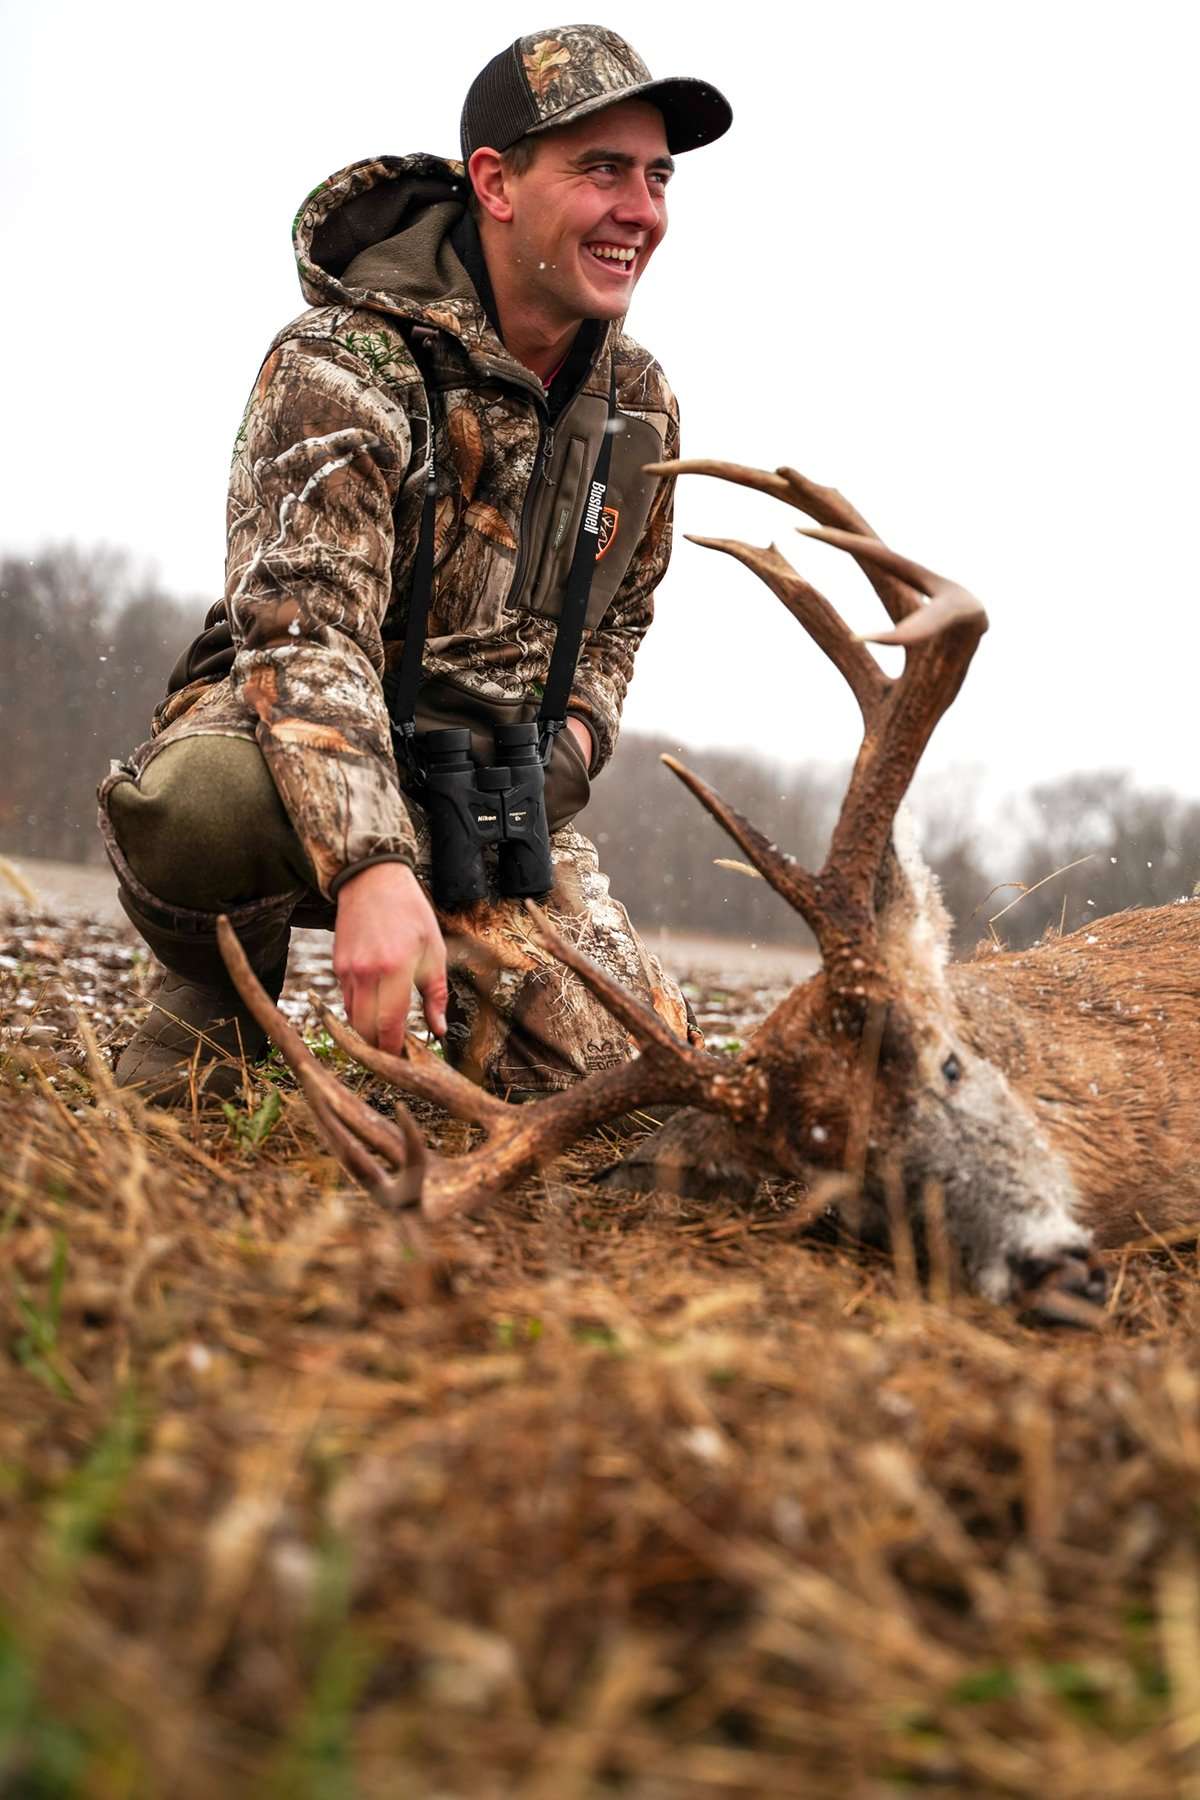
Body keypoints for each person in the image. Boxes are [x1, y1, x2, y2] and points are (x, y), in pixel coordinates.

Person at [98, 23, 732, 1105]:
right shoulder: (344, 363)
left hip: (486, 793)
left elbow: (622, 616)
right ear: (495, 181)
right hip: (302, 744)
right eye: (602, 170)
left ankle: (471, 994)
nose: (642, 210)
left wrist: (570, 747)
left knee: (641, 1100)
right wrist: (371, 867)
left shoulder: (640, 404)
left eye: (658, 176)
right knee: (199, 808)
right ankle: (217, 991)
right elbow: (306, 633)